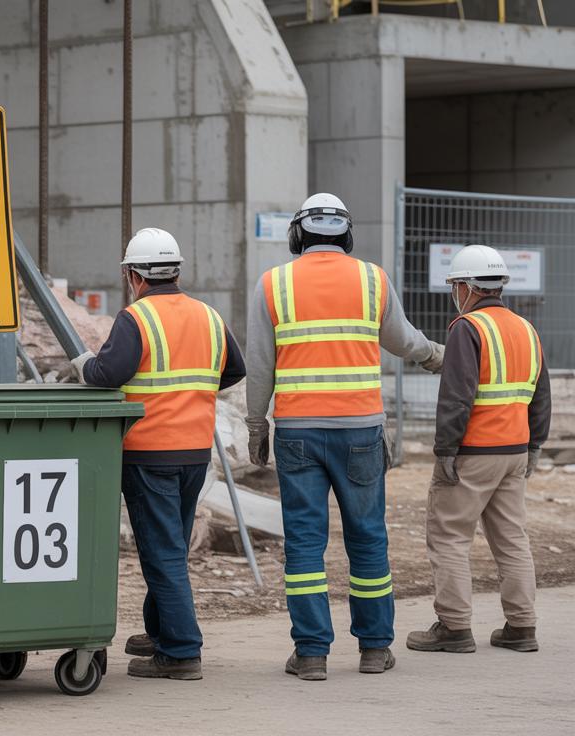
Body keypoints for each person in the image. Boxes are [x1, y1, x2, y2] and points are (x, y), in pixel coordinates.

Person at [245, 193, 445, 681]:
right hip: (359, 431)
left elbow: (259, 365)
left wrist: (257, 425)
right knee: (368, 538)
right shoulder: (373, 279)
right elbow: (403, 340)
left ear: (298, 235)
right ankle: (375, 648)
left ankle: (311, 653)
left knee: (305, 544)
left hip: (297, 433)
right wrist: (437, 356)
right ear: (346, 235)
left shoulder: (273, 284)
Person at [73, 227, 245, 681]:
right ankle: (160, 631)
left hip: (149, 452)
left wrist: (83, 366)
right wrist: (195, 394)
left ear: (134, 275)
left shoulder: (137, 318)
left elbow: (108, 373)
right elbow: (235, 369)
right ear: (176, 271)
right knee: (170, 546)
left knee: (162, 553)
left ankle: (182, 651)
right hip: (194, 453)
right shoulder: (208, 315)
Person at [405, 245, 550, 655]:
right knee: (511, 538)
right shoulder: (526, 328)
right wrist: (535, 444)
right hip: (515, 451)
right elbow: (541, 395)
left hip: (473, 451)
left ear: (468, 287)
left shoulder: (467, 328)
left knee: (449, 536)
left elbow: (457, 397)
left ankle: (454, 627)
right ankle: (522, 627)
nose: (455, 292)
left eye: (455, 285)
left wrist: (445, 451)